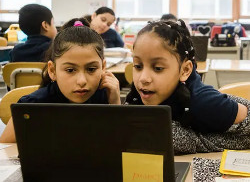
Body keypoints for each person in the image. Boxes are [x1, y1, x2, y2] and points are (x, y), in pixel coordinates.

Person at [125, 20, 250, 154]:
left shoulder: (203, 103)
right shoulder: (143, 91)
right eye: (138, 66)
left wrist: (195, 140)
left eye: (158, 68)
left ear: (185, 70)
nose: (143, 78)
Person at [0, 18, 120, 143]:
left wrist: (115, 103)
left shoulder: (106, 97)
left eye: (91, 69)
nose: (81, 81)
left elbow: (121, 145)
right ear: (52, 71)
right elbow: (4, 150)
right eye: (70, 70)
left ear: (103, 67)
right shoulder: (33, 105)